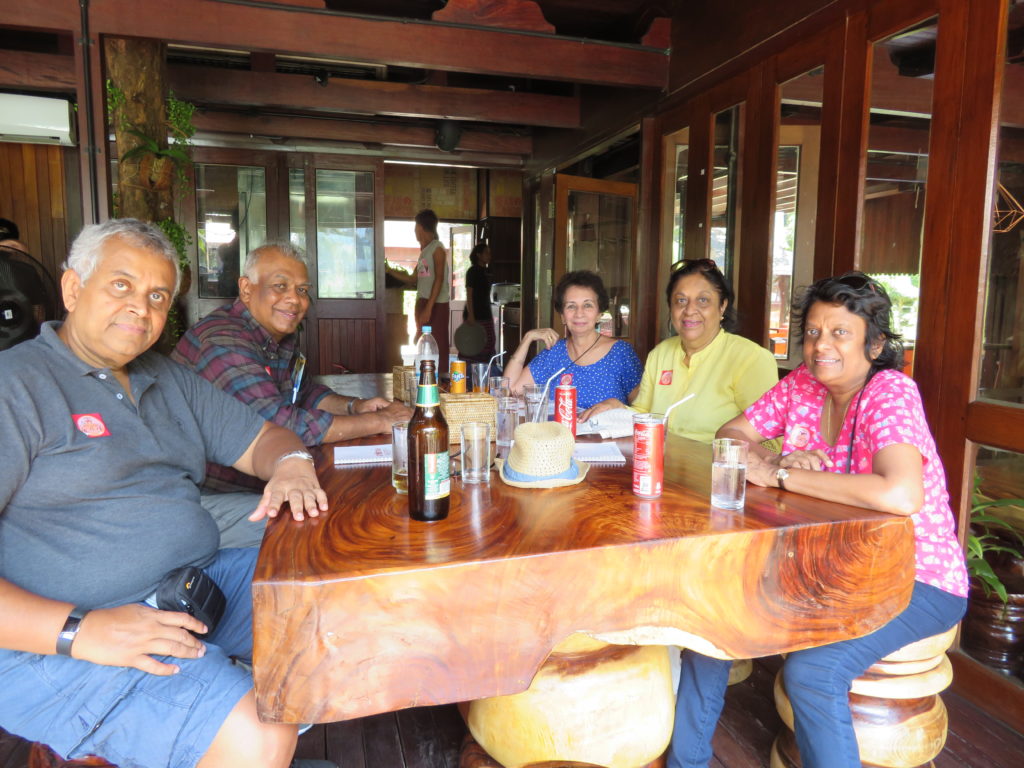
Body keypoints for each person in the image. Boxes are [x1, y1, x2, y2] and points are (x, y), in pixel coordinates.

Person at [0, 218, 335, 768]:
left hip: (191, 590)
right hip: (62, 639)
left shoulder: (164, 377)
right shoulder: (16, 385)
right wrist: (80, 631)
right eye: (121, 286)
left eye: (157, 295)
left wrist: (294, 464)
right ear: (72, 288)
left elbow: (265, 437)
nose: (141, 307)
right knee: (261, 736)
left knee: (324, 593)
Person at [668, 272, 968, 768]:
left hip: (917, 577)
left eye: (839, 333)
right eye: (811, 332)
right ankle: (688, 761)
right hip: (826, 563)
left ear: (874, 343)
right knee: (712, 616)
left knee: (813, 671)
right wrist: (770, 460)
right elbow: (730, 434)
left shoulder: (889, 392)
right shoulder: (802, 386)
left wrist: (784, 475)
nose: (820, 345)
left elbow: (900, 492)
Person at [173, 241, 411, 547]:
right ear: (246, 289)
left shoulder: (275, 337)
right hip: (204, 496)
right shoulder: (223, 341)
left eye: (301, 290)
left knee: (354, 499)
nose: (293, 300)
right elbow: (282, 424)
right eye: (280, 286)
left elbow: (304, 392)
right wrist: (380, 422)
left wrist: (356, 407)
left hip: (256, 482)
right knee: (332, 524)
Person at [631, 259, 778, 442]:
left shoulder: (750, 358)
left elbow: (772, 441)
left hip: (717, 467)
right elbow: (642, 412)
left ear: (722, 306)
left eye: (703, 300)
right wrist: (616, 410)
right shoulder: (660, 354)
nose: (690, 310)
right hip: (659, 463)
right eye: (681, 300)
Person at [504, 270, 643, 416]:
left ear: (599, 314)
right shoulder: (554, 353)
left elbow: (641, 410)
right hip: (558, 437)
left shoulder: (621, 354)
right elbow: (508, 391)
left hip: (606, 437)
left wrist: (617, 406)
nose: (579, 313)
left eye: (588, 305)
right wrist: (527, 339)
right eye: (571, 306)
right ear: (563, 316)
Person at [385, 209, 451, 375]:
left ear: (421, 227)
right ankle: (424, 376)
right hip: (424, 302)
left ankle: (440, 380)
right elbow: (413, 278)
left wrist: (429, 307)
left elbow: (439, 279)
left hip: (436, 304)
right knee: (422, 343)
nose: (414, 231)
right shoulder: (425, 251)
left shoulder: (437, 248)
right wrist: (389, 270)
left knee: (437, 344)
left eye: (415, 227)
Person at [462, 242, 496, 362]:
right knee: (475, 343)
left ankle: (486, 369)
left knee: (489, 341)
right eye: (486, 253)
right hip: (474, 313)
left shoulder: (487, 271)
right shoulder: (472, 271)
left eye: (489, 253)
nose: (489, 255)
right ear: (478, 255)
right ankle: (470, 372)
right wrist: (471, 315)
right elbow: (469, 294)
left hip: (486, 312)